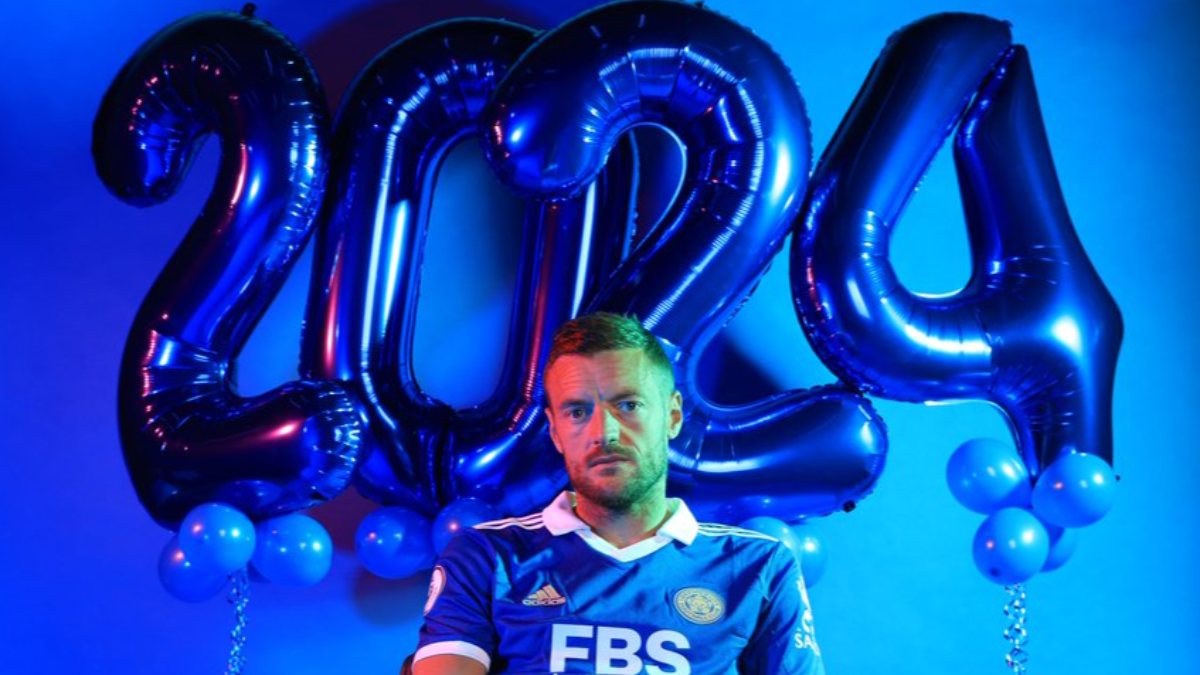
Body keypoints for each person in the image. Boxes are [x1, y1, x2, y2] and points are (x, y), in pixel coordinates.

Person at [412, 312, 825, 674]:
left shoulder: (760, 563)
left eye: (628, 405)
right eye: (578, 411)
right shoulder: (487, 555)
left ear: (673, 416)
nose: (604, 432)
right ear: (555, 432)